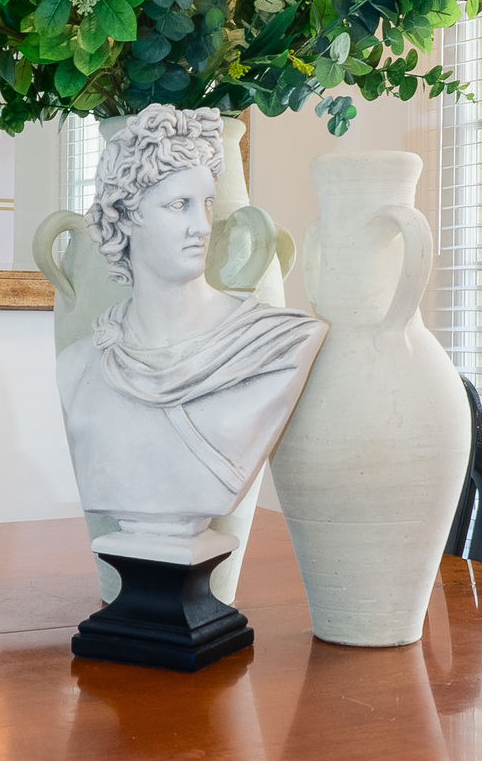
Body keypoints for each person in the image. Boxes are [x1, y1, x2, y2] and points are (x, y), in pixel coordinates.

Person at [56, 107, 324, 544]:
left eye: (208, 203)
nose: (202, 227)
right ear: (123, 217)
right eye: (178, 205)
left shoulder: (277, 345)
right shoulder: (79, 366)